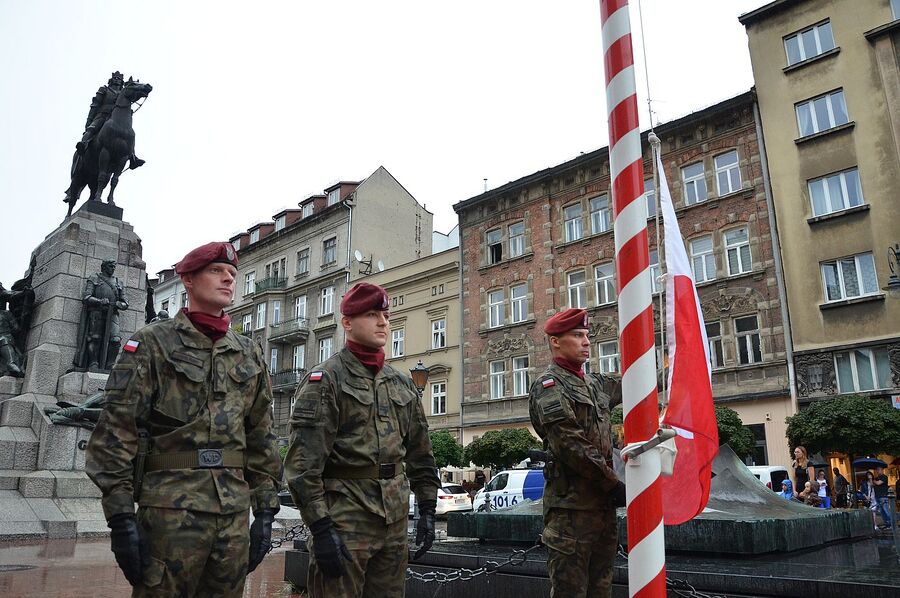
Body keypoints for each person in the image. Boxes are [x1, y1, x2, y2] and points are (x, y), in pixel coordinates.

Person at [85, 241, 282, 597]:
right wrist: (120, 518)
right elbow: (116, 431)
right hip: (168, 515)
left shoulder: (248, 352)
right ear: (188, 280)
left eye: (233, 274)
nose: (228, 279)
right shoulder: (152, 343)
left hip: (232, 517)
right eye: (216, 271)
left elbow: (262, 438)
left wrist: (265, 511)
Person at [284, 282, 440, 598]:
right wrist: (321, 528)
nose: (383, 322)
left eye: (385, 314)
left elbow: (421, 452)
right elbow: (303, 467)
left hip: (394, 521)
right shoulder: (326, 380)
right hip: (344, 518)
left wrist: (426, 508)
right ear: (347, 323)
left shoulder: (400, 382)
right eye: (372, 314)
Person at [528, 308, 623, 598]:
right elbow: (571, 444)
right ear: (556, 341)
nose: (587, 342)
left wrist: (674, 364)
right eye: (578, 335)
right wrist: (614, 483)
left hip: (602, 509)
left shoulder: (595, 383)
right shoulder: (549, 387)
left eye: (587, 336)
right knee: (571, 592)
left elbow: (639, 381)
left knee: (602, 589)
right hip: (571, 512)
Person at [74, 259, 129, 371]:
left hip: (112, 313)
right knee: (95, 338)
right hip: (96, 312)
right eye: (110, 266)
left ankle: (110, 364)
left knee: (115, 339)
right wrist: (99, 301)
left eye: (114, 267)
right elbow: (86, 297)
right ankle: (93, 363)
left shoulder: (118, 282)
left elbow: (125, 302)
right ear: (104, 267)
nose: (113, 269)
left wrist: (119, 304)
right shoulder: (94, 278)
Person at [872, 465, 893, 529]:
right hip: (878, 496)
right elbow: (872, 484)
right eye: (877, 470)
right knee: (882, 512)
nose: (878, 471)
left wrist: (873, 480)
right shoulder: (876, 478)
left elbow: (878, 483)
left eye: (879, 469)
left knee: (886, 511)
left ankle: (891, 524)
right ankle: (887, 524)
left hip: (883, 496)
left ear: (882, 470)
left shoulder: (884, 477)